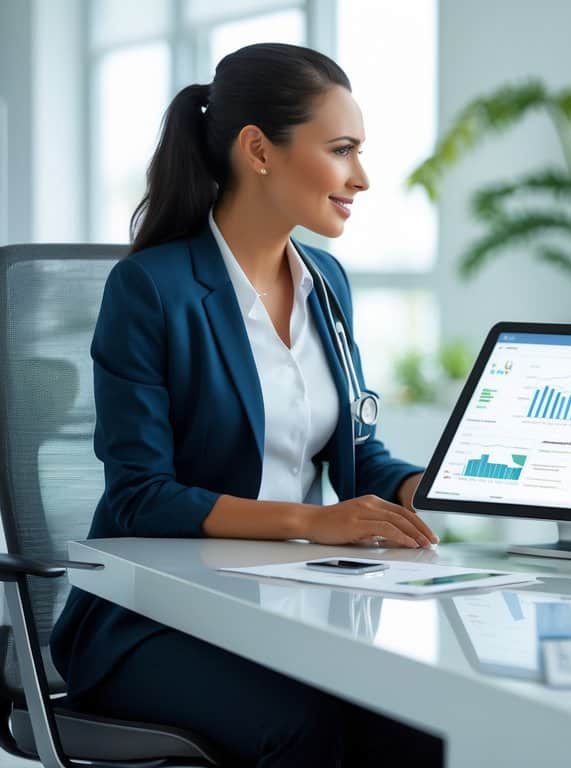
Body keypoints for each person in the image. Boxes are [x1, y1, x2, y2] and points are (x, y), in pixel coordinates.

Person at [51, 43, 444, 766]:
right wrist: (313, 521)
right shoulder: (153, 289)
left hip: (287, 603)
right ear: (259, 150)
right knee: (307, 726)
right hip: (153, 620)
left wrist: (445, 485)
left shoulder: (326, 281)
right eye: (341, 150)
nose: (361, 176)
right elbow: (140, 497)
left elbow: (356, 455)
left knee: (420, 722)